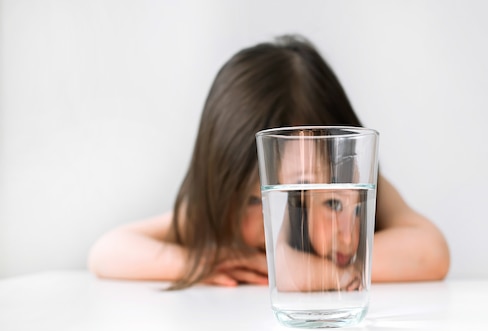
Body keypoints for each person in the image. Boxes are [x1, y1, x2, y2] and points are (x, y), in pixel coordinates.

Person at [87, 34, 450, 290]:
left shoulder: (361, 188)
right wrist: (201, 262)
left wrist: (314, 274)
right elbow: (107, 251)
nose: (282, 221)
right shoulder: (217, 216)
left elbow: (431, 252)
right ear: (222, 189)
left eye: (327, 200)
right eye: (256, 201)